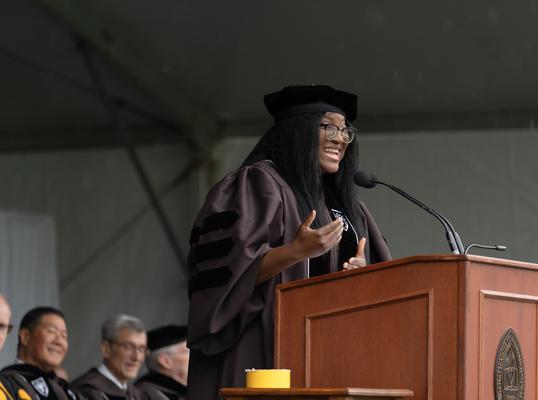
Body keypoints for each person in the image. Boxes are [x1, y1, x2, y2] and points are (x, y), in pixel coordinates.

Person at [186, 84, 391, 399]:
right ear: (299, 131)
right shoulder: (257, 184)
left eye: (345, 130)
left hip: (331, 356)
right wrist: (294, 252)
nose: (340, 139)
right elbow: (223, 277)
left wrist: (363, 276)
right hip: (266, 354)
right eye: (328, 127)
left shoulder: (349, 208)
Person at [0, 306, 79, 400]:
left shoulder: (65, 387)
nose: (59, 341)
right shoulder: (8, 383)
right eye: (51, 331)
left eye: (64, 335)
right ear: (25, 336)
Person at [71, 314, 146, 400]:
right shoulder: (85, 391)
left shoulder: (137, 395)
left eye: (141, 349)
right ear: (106, 349)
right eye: (128, 347)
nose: (136, 357)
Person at [135, 325, 188, 400]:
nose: (197, 358)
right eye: (189, 352)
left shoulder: (190, 392)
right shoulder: (142, 395)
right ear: (166, 362)